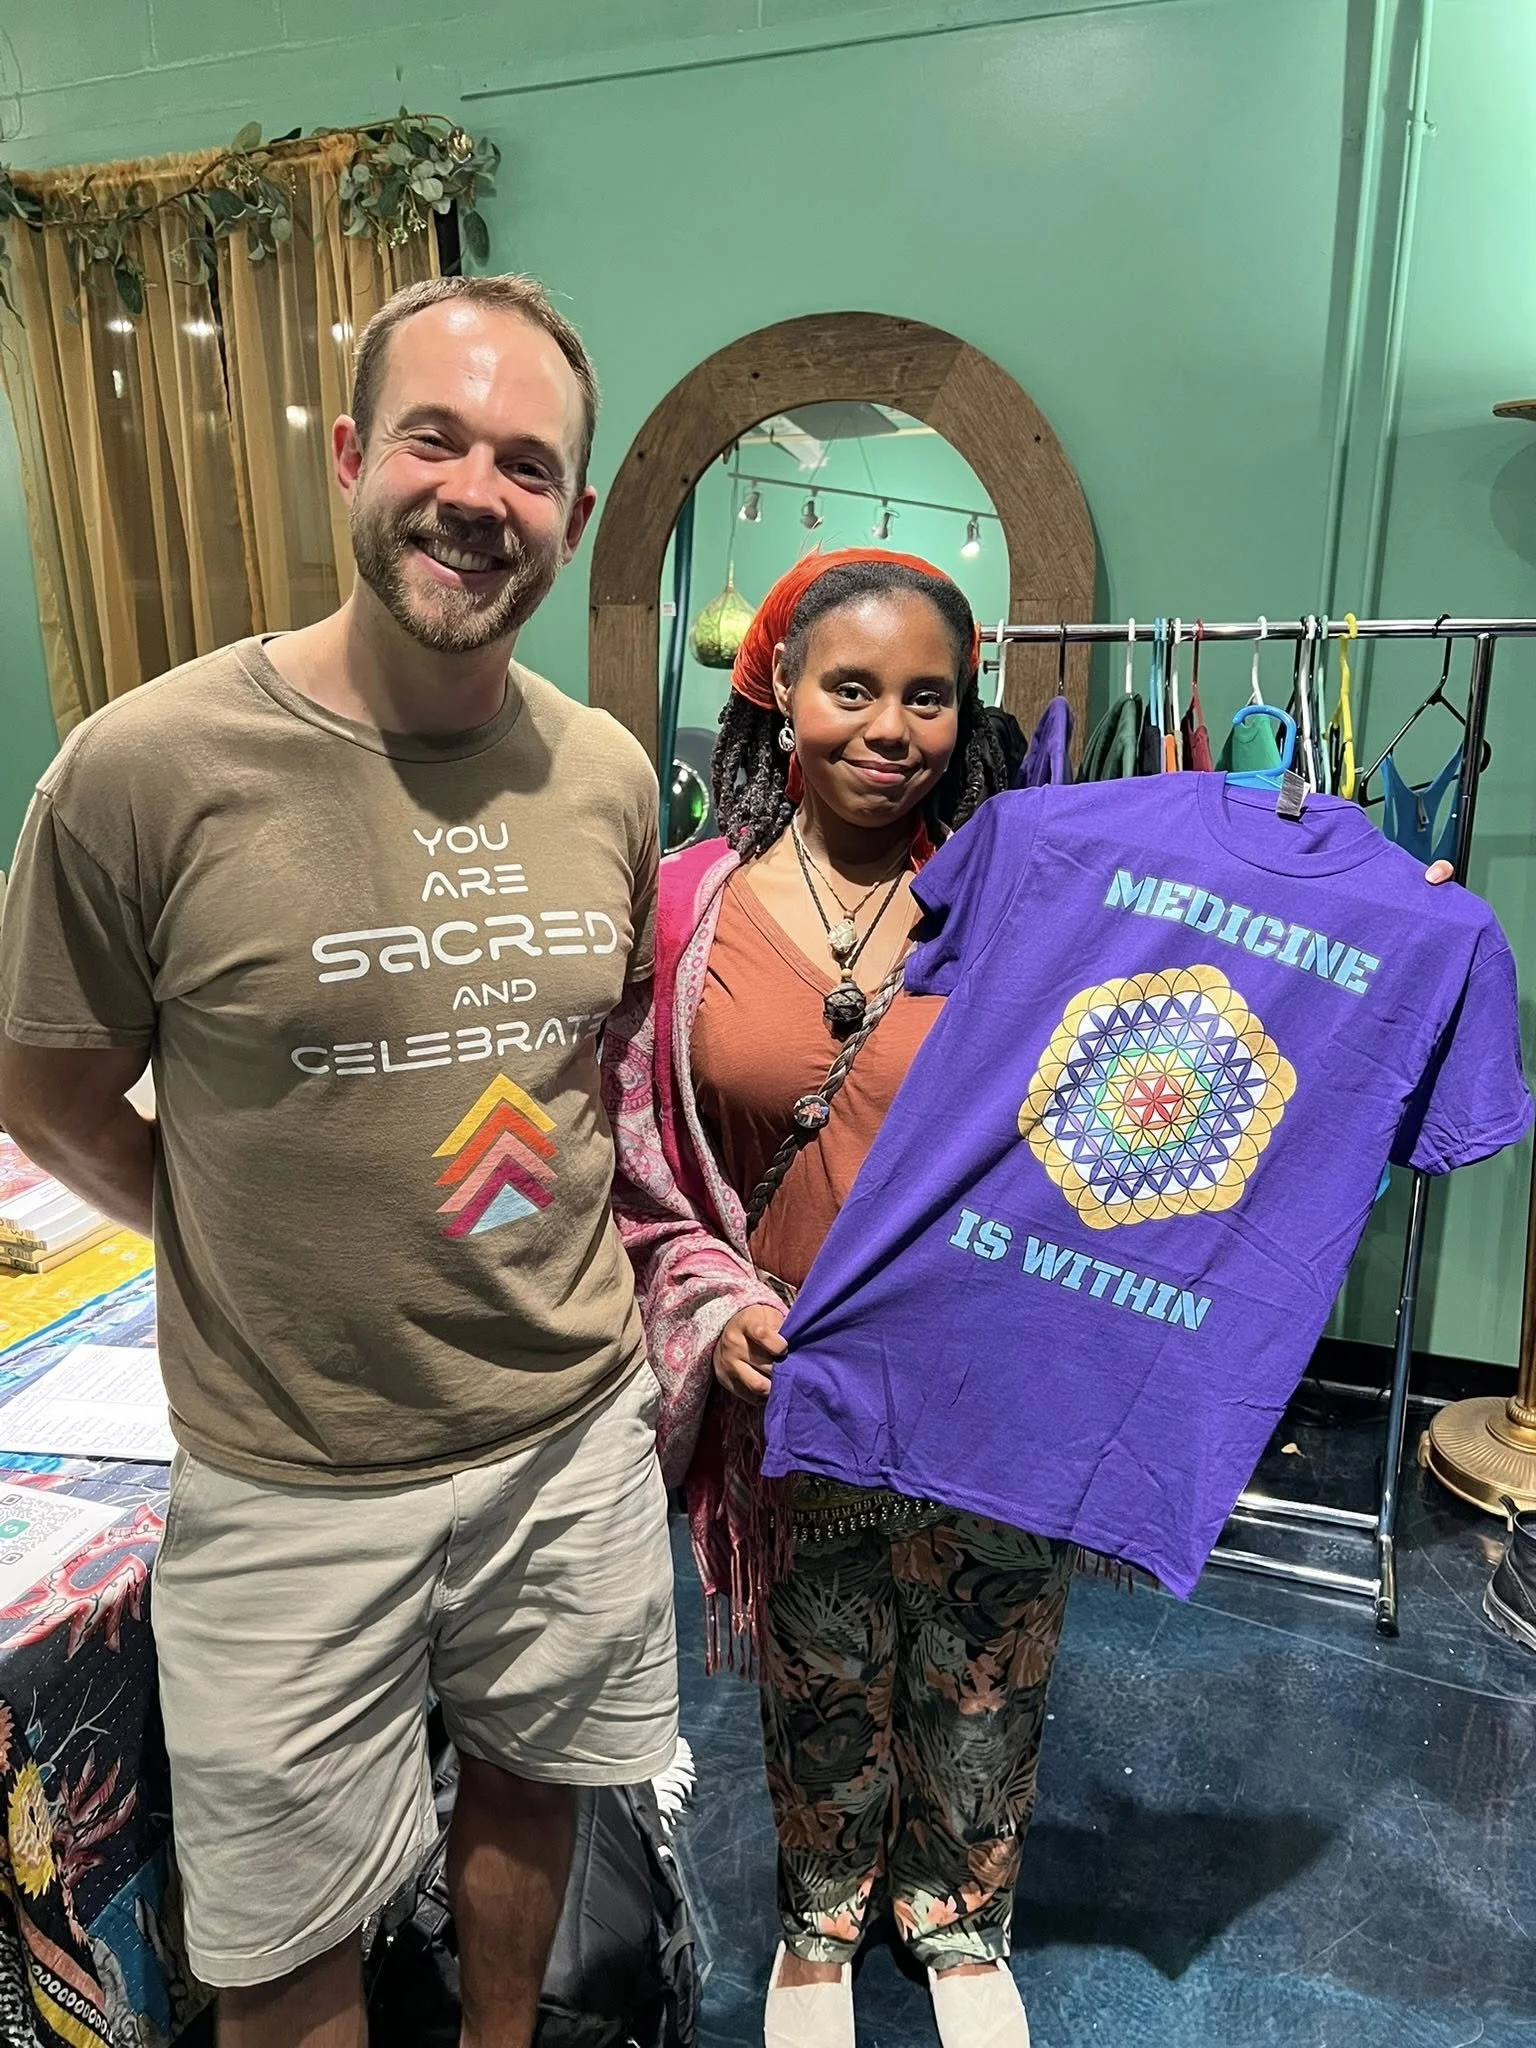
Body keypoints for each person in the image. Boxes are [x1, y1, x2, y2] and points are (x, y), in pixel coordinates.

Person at [600, 549, 1458, 2048]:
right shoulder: (688, 911)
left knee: (987, 1662)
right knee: (818, 1660)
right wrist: (713, 1301)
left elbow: (1223, 969)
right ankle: (820, 1916)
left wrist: (1392, 920)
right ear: (781, 690)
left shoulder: (1053, 885)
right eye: (851, 688)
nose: (890, 728)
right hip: (794, 1362)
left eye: (927, 696)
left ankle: (957, 1913)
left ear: (966, 709)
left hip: (1004, 1359)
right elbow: (632, 1155)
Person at [0, 275, 676, 2048]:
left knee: (534, 1795)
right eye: (436, 440)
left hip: (567, 1437)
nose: (477, 494)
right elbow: (49, 1096)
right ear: (352, 455)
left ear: (573, 514)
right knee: (278, 1942)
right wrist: (231, 1232)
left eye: (527, 464)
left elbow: (579, 1062)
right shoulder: (143, 772)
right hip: (290, 1476)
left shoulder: (609, 774)